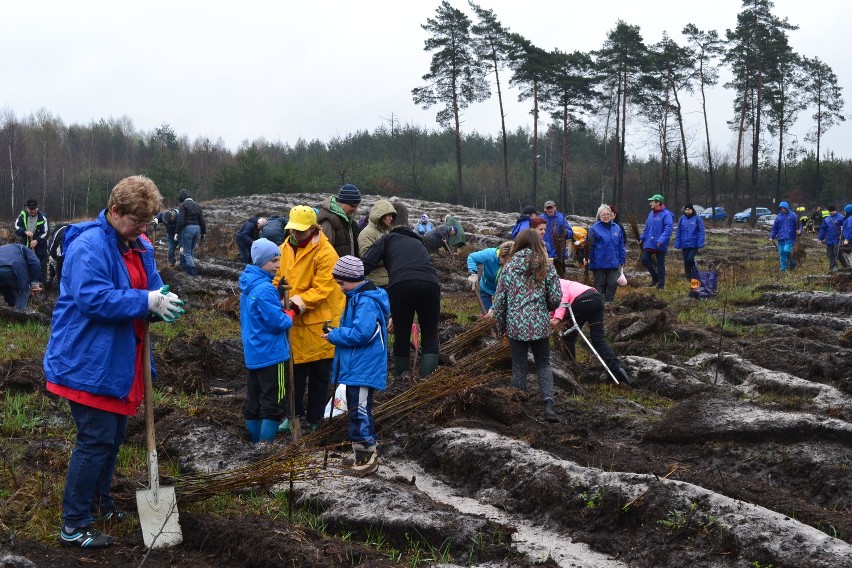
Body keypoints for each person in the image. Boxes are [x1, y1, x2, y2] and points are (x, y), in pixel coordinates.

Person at [44, 175, 185, 549]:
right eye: (137, 222)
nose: (143, 230)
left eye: (147, 224)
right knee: (95, 439)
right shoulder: (89, 246)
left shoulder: (138, 245)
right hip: (88, 359)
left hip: (123, 357)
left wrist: (159, 303)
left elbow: (152, 288)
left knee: (114, 437)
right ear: (115, 210)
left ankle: (100, 503)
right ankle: (74, 524)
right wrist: (144, 303)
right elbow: (93, 299)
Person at [273, 206, 345, 433]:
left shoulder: (326, 252)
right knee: (291, 372)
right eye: (292, 230)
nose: (295, 234)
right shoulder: (284, 247)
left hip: (319, 323)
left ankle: (315, 419)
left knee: (319, 375)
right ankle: (291, 414)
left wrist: (295, 304)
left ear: (314, 228)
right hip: (291, 323)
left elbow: (322, 289)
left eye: (300, 231)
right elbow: (277, 276)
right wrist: (276, 295)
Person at [323, 255, 390, 474]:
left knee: (359, 410)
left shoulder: (366, 301)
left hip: (364, 367)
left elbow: (362, 333)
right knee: (357, 408)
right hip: (357, 366)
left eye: (341, 283)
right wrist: (337, 332)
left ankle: (366, 457)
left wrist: (336, 335)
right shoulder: (356, 298)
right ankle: (361, 453)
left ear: (354, 279)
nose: (340, 288)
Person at [491, 229, 562, 423]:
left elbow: (499, 303)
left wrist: (501, 328)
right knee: (543, 364)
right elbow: (556, 299)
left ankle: (519, 407)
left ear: (518, 244)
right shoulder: (546, 266)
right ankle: (548, 405)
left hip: (515, 325)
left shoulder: (508, 267)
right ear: (538, 243)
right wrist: (543, 307)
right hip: (539, 324)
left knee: (519, 366)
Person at [361, 225, 441, 378]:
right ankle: (427, 380)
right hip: (431, 284)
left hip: (402, 284)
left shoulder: (388, 238)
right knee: (430, 333)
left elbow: (367, 261)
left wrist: (353, 280)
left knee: (402, 333)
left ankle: (401, 378)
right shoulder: (419, 242)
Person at [239, 238, 295, 443]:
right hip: (272, 354)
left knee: (254, 401)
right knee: (273, 401)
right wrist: (289, 314)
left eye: (278, 260)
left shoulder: (248, 285)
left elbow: (260, 313)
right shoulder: (265, 289)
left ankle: (254, 443)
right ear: (261, 261)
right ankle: (265, 446)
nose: (278, 265)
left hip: (254, 353)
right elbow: (277, 322)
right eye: (273, 261)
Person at [550, 278, 631, 385]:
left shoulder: (552, 281)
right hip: (596, 299)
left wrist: (557, 319)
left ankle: (572, 370)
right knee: (598, 339)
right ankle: (617, 369)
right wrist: (551, 318)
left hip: (582, 301)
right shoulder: (559, 281)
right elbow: (553, 306)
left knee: (567, 338)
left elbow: (563, 296)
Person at [586, 204, 626, 303]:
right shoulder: (594, 228)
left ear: (611, 215)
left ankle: (609, 302)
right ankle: (599, 303)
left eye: (608, 214)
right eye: (603, 214)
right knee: (599, 284)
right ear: (599, 216)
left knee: (612, 283)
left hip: (613, 261)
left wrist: (622, 258)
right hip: (598, 261)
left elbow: (621, 244)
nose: (606, 216)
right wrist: (587, 257)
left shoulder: (616, 228)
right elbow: (589, 245)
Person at [466, 241, 514, 313]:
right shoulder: (489, 254)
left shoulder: (515, 264)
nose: (507, 264)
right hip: (486, 287)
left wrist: (494, 308)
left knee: (500, 315)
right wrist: (473, 273)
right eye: (506, 261)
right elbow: (472, 257)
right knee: (486, 313)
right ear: (500, 255)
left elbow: (509, 290)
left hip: (502, 293)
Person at [357, 199, 396, 287]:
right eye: (388, 215)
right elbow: (366, 257)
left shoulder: (386, 232)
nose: (391, 218)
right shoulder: (366, 233)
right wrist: (391, 257)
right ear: (380, 215)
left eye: (392, 216)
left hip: (387, 279)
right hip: (375, 281)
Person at [639, 194, 674, 289]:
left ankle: (661, 285)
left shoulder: (666, 215)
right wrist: (642, 237)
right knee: (645, 259)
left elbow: (668, 229)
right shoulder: (651, 214)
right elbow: (647, 228)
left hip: (660, 244)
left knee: (660, 265)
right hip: (650, 243)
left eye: (652, 201)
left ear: (658, 203)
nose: (650, 203)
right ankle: (655, 277)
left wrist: (661, 240)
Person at [318, 183, 361, 258]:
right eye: (352, 206)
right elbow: (323, 252)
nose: (355, 210)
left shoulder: (348, 220)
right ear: (342, 202)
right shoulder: (329, 221)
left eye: (357, 206)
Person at [0, 243, 42, 310]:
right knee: (23, 290)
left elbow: (5, 288)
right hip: (14, 267)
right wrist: (34, 284)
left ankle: (12, 307)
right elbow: (35, 263)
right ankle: (20, 313)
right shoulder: (24, 248)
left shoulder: (4, 248)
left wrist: (11, 304)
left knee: (4, 286)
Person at [14, 198, 49, 279]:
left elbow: (46, 232)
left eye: (34, 209)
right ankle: (27, 284)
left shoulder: (43, 217)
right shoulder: (22, 216)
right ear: (27, 208)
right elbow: (16, 226)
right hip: (26, 245)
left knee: (40, 266)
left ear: (37, 207)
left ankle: (41, 284)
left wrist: (37, 240)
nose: (33, 211)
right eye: (31, 209)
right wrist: (25, 232)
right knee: (26, 264)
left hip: (40, 247)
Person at [175, 188, 206, 276]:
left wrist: (177, 232)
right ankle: (190, 270)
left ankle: (193, 273)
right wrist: (203, 232)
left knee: (186, 252)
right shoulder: (197, 205)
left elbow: (182, 220)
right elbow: (202, 220)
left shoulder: (183, 205)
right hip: (197, 229)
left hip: (188, 229)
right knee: (191, 251)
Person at [674, 204, 706, 280]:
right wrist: (677, 243)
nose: (687, 211)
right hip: (684, 244)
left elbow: (701, 231)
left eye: (689, 209)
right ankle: (688, 276)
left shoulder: (697, 219)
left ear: (692, 210)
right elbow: (678, 231)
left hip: (694, 244)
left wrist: (700, 242)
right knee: (686, 261)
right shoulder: (681, 219)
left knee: (690, 259)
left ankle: (693, 270)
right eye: (686, 210)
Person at [542, 200, 573, 272]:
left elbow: (571, 233)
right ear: (544, 209)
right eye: (548, 208)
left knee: (560, 277)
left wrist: (566, 232)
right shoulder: (541, 218)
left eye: (551, 208)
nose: (550, 210)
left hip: (559, 254)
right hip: (545, 254)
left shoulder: (561, 218)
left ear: (555, 208)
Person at [769, 201, 801, 272]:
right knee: (782, 253)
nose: (783, 209)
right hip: (781, 238)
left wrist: (799, 230)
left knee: (786, 250)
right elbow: (774, 228)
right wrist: (772, 236)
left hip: (790, 237)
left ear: (787, 208)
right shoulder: (778, 217)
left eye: (784, 208)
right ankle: (783, 269)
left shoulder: (793, 215)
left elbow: (798, 224)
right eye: (781, 208)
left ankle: (792, 262)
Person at [817, 205, 845, 272]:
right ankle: (832, 268)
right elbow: (823, 230)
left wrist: (843, 236)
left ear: (834, 210)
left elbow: (845, 228)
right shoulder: (827, 219)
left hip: (838, 239)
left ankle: (845, 265)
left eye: (831, 211)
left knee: (837, 253)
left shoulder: (841, 218)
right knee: (830, 255)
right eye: (829, 211)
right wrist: (820, 239)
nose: (830, 213)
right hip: (829, 240)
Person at [47, 223, 69, 288]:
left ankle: (60, 290)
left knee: (60, 273)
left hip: (61, 255)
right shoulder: (72, 230)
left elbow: (51, 248)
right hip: (73, 255)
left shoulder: (57, 232)